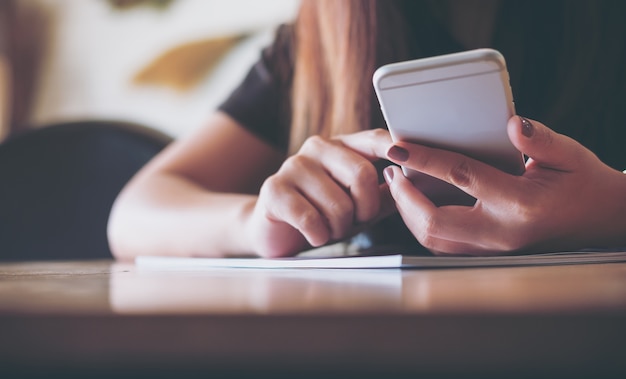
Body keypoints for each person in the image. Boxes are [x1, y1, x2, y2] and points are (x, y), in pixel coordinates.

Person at [107, 0, 626, 260]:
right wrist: (256, 222)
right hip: (380, 355)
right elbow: (135, 215)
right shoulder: (320, 43)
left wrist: (613, 209)